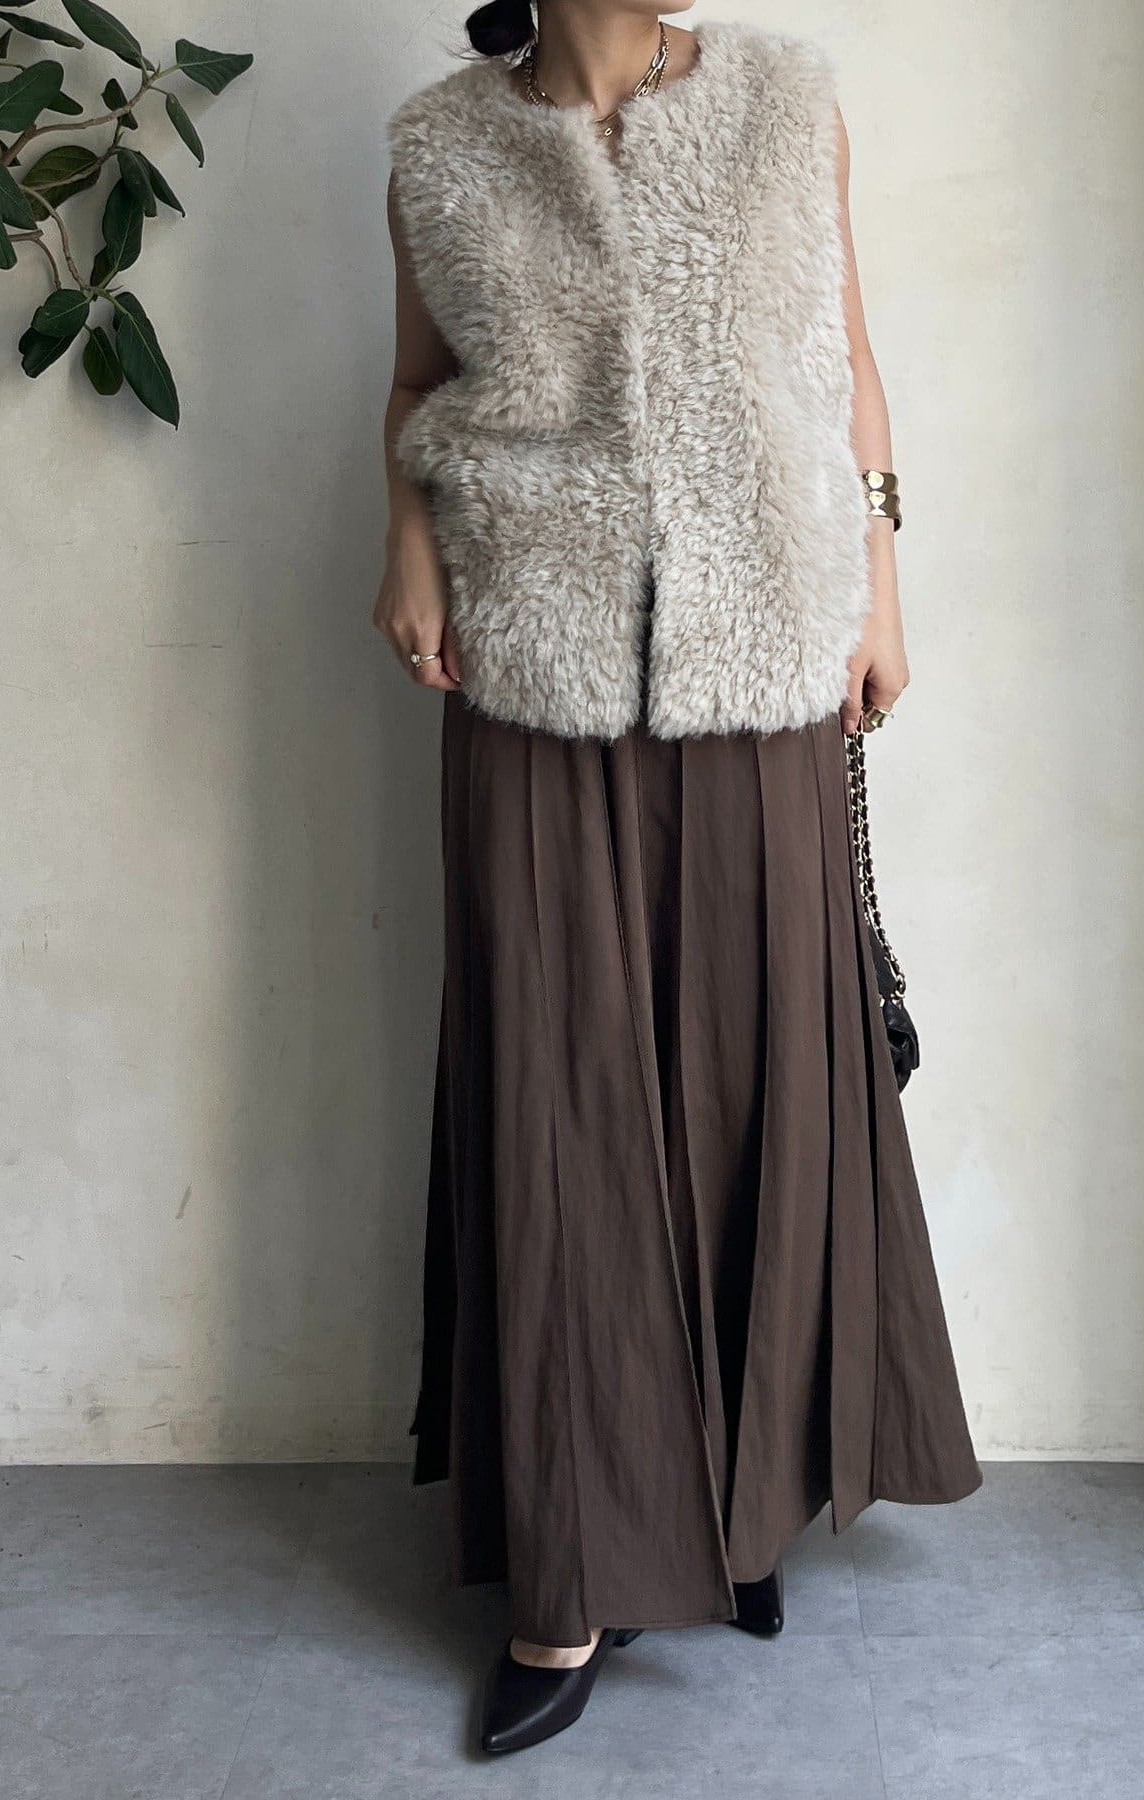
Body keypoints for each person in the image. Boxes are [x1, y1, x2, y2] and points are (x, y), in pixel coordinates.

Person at [375, 0, 981, 1756]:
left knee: (747, 1086)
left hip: (765, 660)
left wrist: (881, 589)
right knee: (559, 1106)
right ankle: (572, 1576)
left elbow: (844, 360)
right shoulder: (442, 144)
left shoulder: (788, 102)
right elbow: (414, 384)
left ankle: (738, 1516)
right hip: (529, 662)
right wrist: (403, 546)